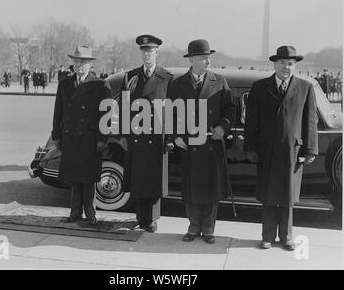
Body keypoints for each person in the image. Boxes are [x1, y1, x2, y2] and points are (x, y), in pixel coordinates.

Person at [244, 45, 318, 251]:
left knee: (288, 195)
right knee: (268, 195)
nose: (287, 67)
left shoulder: (305, 88)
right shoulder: (260, 87)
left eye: (291, 64)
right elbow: (251, 121)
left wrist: (310, 150)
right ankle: (267, 236)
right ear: (275, 64)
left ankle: (286, 237)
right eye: (283, 63)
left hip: (291, 152)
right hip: (266, 151)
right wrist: (251, 148)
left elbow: (310, 121)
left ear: (294, 66)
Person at [168, 39, 236, 244]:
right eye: (203, 58)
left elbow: (230, 110)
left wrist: (222, 127)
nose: (208, 61)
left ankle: (208, 228)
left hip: (211, 145)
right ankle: (193, 226)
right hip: (189, 145)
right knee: (191, 188)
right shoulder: (178, 84)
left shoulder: (220, 81)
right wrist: (175, 136)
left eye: (208, 57)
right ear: (192, 60)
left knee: (211, 188)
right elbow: (170, 112)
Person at [52, 45, 111, 225]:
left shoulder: (101, 85)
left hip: (90, 139)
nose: (79, 65)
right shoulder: (65, 84)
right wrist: (57, 135)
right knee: (74, 177)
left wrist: (102, 139)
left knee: (87, 179)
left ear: (90, 64)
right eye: (76, 61)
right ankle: (75, 213)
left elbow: (106, 116)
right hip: (70, 137)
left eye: (83, 62)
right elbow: (58, 112)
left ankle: (90, 214)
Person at [119, 34, 173, 232]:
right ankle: (141, 218)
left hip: (157, 138)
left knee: (154, 180)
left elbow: (172, 111)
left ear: (157, 52)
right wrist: (123, 135)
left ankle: (152, 219)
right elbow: (124, 107)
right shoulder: (130, 76)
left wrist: (169, 137)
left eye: (150, 51)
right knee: (139, 179)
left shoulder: (166, 78)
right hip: (136, 136)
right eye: (143, 51)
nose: (146, 54)